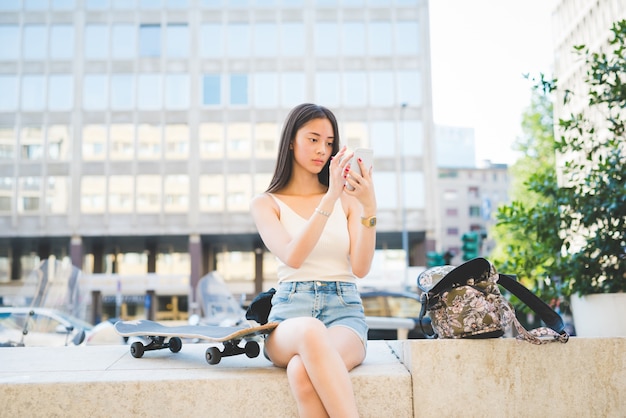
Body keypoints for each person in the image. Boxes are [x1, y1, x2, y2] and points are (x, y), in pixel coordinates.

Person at [250, 103, 377, 417]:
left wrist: (369, 210)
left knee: (301, 372)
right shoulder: (267, 204)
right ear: (291, 141)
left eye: (330, 142)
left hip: (343, 310)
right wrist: (329, 197)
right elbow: (293, 256)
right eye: (313, 139)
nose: (323, 149)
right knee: (308, 331)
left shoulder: (348, 199)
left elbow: (360, 268)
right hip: (290, 314)